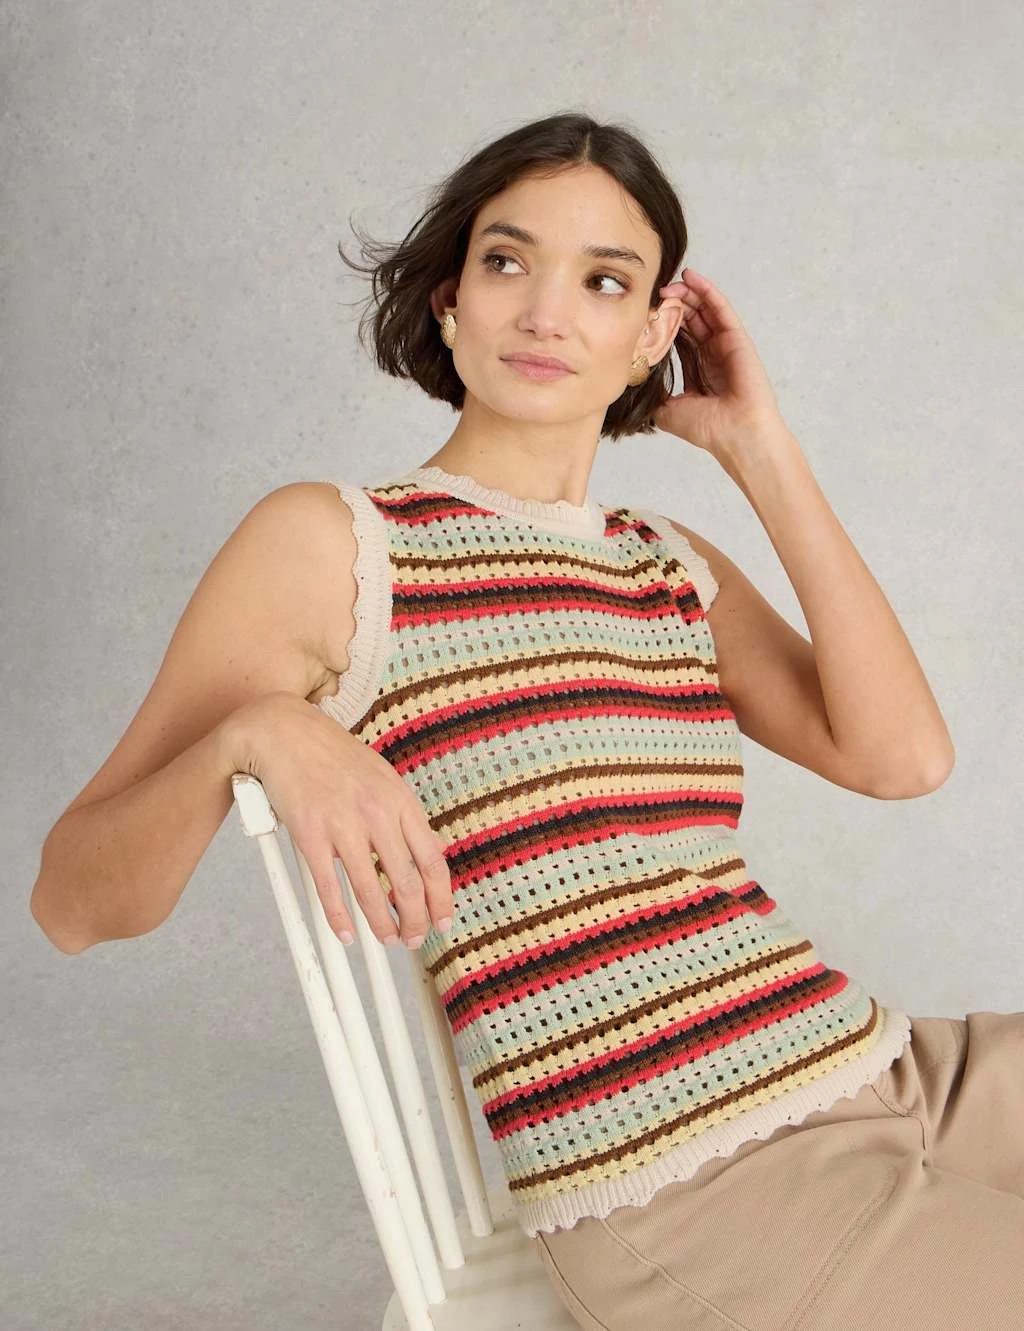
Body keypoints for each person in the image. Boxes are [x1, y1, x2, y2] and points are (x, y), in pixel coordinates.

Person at [30, 112, 1023, 1329]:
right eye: (507, 261)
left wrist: (758, 446)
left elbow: (902, 757)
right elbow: (72, 902)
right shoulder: (340, 545)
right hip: (688, 1183)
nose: (546, 312)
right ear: (450, 300)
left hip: (879, 1064)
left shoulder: (664, 560)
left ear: (652, 333)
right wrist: (257, 733)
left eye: (603, 281)